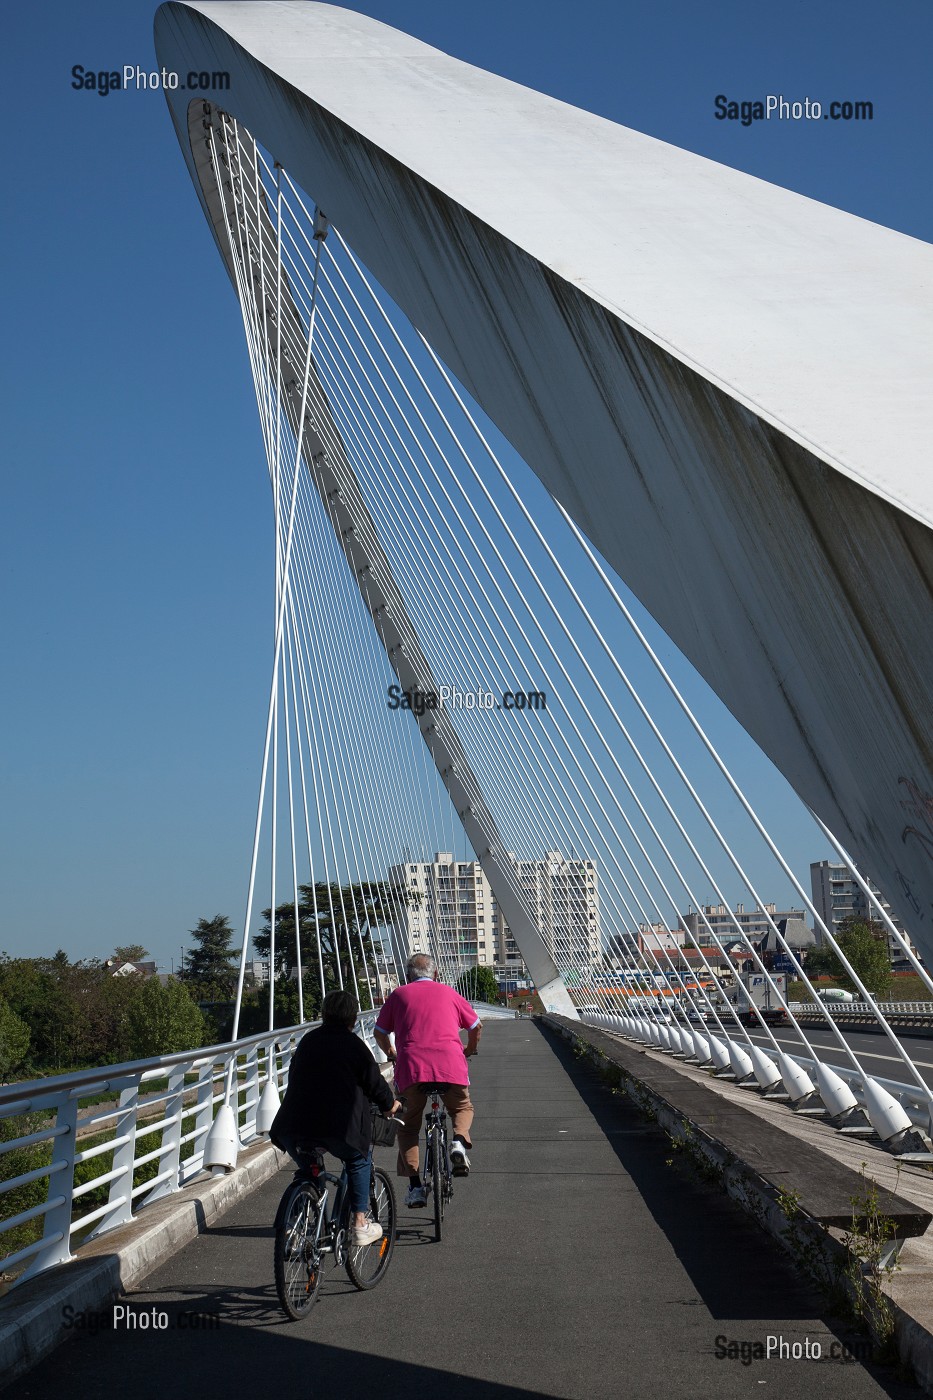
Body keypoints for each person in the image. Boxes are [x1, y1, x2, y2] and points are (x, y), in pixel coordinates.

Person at [270, 988, 401, 1246]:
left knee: (309, 1169)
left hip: (292, 1125)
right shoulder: (354, 1045)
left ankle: (294, 1224)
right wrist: (390, 1105)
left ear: (324, 1014)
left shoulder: (308, 1041)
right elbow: (374, 1083)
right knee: (358, 1160)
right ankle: (360, 1223)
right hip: (338, 1128)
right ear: (353, 1018)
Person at [374, 953, 481, 1209]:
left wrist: (392, 1055)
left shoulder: (398, 995)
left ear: (408, 977)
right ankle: (457, 1141)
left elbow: (379, 1032)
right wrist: (468, 1049)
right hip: (450, 1066)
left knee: (408, 1127)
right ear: (436, 975)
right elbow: (475, 1027)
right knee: (462, 1108)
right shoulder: (450, 993)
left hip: (411, 1069)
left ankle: (415, 1188)